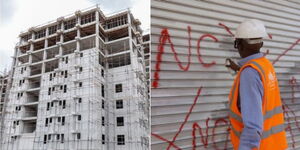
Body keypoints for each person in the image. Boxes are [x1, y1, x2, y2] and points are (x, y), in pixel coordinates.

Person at [226, 19, 288, 150]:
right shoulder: (265, 66)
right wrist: (238, 69)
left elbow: (253, 126)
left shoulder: (250, 73)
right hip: (275, 144)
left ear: (239, 44)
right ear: (261, 43)